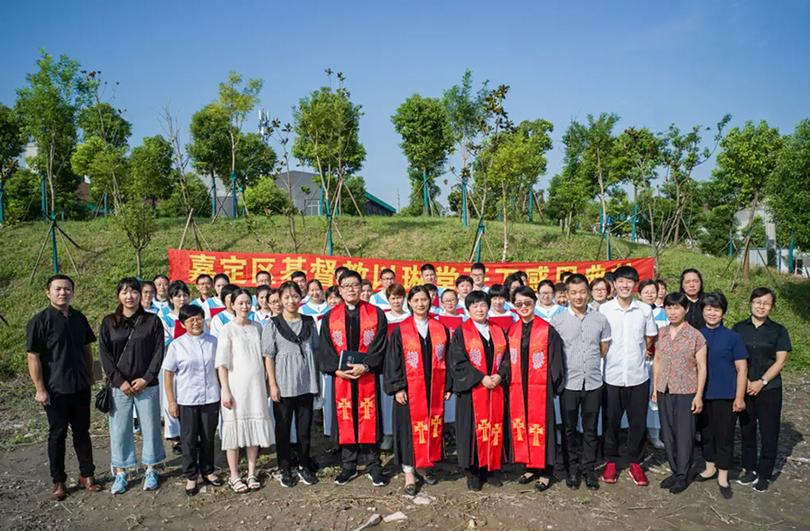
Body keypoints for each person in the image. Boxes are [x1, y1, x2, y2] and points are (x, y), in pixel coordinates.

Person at [26, 274, 102, 500]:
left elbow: (88, 349)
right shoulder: (39, 321)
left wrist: (92, 375)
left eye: (67, 289)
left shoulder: (79, 317)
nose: (63, 293)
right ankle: (58, 481)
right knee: (57, 435)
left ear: (72, 292)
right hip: (54, 389)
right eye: (58, 289)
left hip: (80, 385)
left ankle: (87, 475)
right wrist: (40, 389)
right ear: (47, 292)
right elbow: (33, 357)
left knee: (82, 432)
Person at [317, 270, 389, 487]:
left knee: (369, 415)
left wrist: (366, 365)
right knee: (345, 418)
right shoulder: (331, 317)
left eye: (354, 285)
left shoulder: (376, 314)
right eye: (346, 285)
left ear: (362, 287)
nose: (350, 289)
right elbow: (325, 348)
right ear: (339, 290)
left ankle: (373, 465)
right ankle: (348, 465)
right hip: (342, 379)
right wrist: (335, 370)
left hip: (367, 376)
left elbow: (379, 345)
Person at [99, 278, 166, 495]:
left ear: (141, 295)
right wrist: (120, 381)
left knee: (151, 426)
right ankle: (121, 471)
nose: (130, 296)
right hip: (120, 386)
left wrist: (146, 378)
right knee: (119, 429)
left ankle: (151, 468)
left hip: (147, 384)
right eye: (125, 292)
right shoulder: (109, 322)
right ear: (118, 295)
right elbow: (105, 355)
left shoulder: (152, 321)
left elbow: (158, 353)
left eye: (134, 292)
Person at [384, 286, 452, 494]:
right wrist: (397, 387)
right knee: (407, 430)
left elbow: (448, 359)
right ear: (410, 303)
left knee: (430, 426)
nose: (421, 304)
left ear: (430, 302)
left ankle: (424, 466)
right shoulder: (400, 330)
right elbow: (393, 361)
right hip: (408, 391)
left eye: (424, 300)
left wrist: (447, 385)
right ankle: (409, 473)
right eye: (416, 300)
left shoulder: (439, 328)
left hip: (433, 388)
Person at [551, 274, 611, 490]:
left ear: (588, 293)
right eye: (573, 292)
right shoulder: (557, 321)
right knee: (568, 429)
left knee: (590, 428)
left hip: (593, 383)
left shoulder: (600, 319)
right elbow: (554, 354)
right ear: (566, 295)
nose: (578, 296)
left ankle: (589, 469)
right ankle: (572, 469)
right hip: (569, 384)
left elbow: (604, 349)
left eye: (582, 292)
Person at [599, 266, 657, 487]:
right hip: (611, 376)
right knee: (611, 421)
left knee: (637, 422)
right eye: (621, 281)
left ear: (635, 285)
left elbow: (650, 338)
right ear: (614, 283)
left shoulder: (644, 310)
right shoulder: (605, 310)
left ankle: (635, 462)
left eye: (629, 281)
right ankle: (611, 461)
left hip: (638, 376)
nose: (625, 285)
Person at [262, 282, 320, 488]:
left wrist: (316, 381)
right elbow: (269, 356)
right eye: (286, 297)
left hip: (306, 382)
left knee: (304, 428)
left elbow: (315, 349)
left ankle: (304, 463)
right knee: (283, 428)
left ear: (300, 297)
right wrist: (273, 385)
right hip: (284, 384)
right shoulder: (273, 324)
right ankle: (285, 466)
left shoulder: (309, 322)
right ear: (280, 299)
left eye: (294, 296)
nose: (291, 301)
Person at [505, 286, 564, 492]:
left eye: (527, 303)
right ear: (514, 306)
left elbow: (556, 361)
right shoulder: (512, 330)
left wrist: (552, 385)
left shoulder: (547, 330)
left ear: (534, 303)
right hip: (518, 388)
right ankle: (529, 466)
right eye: (519, 304)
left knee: (541, 428)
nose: (523, 307)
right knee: (522, 425)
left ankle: (546, 471)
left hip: (540, 388)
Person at [449, 290, 509, 491]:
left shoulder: (498, 330)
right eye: (474, 306)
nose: (480, 309)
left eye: (483, 305)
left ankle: (491, 469)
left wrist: (500, 375)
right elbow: (458, 361)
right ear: (468, 310)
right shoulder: (462, 332)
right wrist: (480, 378)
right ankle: (473, 472)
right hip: (473, 391)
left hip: (496, 388)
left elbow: (508, 357)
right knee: (473, 431)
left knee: (494, 428)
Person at [733, 287, 791, 492]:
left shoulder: (778, 330)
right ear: (751, 303)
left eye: (766, 303)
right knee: (747, 430)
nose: (761, 306)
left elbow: (780, 361)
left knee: (769, 431)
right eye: (758, 302)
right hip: (745, 386)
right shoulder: (739, 328)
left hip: (770, 388)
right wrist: (746, 381)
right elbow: (735, 357)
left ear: (772, 307)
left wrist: (762, 382)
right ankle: (750, 469)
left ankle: (765, 473)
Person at [216, 288, 274, 493]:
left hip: (256, 386)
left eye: (247, 302)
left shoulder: (258, 327)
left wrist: (268, 383)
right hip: (235, 386)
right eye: (240, 303)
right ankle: (234, 475)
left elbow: (265, 357)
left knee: (254, 430)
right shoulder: (227, 329)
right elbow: (221, 364)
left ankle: (251, 472)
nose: (244, 306)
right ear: (232, 305)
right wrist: (225, 389)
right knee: (234, 431)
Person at [163, 304, 223, 497]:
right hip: (187, 399)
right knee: (188, 439)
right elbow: (168, 374)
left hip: (211, 396)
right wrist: (172, 401)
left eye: (198, 318)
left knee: (208, 437)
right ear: (183, 324)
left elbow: (219, 369)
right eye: (191, 320)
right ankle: (191, 475)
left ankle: (208, 470)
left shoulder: (214, 341)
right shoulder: (177, 345)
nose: (195, 323)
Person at [694, 291, 748, 499]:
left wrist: (739, 396)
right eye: (708, 309)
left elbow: (742, 369)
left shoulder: (733, 337)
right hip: (702, 394)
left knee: (724, 435)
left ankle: (723, 474)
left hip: (726, 394)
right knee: (706, 434)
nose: (712, 313)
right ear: (702, 311)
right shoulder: (696, 335)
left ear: (723, 312)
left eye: (716, 309)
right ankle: (709, 467)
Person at [652, 292, 707, 494]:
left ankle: (683, 474)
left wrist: (699, 395)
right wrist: (655, 389)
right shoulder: (662, 333)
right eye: (669, 307)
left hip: (686, 391)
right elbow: (657, 360)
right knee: (668, 432)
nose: (673, 311)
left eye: (677, 307)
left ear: (686, 309)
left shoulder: (695, 335)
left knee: (684, 434)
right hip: (664, 389)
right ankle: (675, 470)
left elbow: (702, 367)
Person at [158, 280, 191, 452]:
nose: (182, 299)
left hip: (191, 367)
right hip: (173, 365)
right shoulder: (165, 318)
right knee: (172, 398)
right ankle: (175, 437)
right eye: (178, 296)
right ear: (171, 298)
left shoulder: (193, 315)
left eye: (185, 295)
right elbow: (165, 340)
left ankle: (190, 434)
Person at [638, 279, 665, 449]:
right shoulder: (635, 311)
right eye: (646, 291)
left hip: (657, 362)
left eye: (652, 291)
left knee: (654, 398)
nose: (649, 294)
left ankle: (654, 434)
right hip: (638, 362)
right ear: (639, 294)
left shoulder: (664, 313)